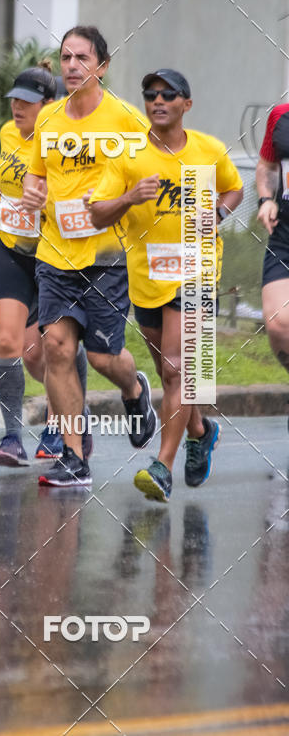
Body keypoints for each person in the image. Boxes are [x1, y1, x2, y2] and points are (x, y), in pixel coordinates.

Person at [90, 69, 243, 501]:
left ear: (186, 104)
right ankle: (200, 431)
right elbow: (97, 213)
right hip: (147, 277)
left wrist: (218, 214)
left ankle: (162, 467)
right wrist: (128, 198)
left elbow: (234, 188)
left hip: (198, 270)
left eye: (168, 94)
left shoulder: (208, 150)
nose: (158, 100)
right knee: (168, 371)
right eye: (151, 94)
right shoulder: (129, 155)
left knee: (178, 369)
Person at [21, 25, 157, 488]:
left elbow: (151, 174)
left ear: (103, 65)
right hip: (55, 253)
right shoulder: (48, 119)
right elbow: (36, 175)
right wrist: (34, 193)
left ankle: (134, 389)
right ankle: (74, 456)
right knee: (57, 348)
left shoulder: (126, 119)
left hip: (108, 255)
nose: (72, 66)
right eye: (66, 57)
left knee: (101, 357)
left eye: (82, 58)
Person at [0, 63, 88, 465]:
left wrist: (47, 201)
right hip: (9, 246)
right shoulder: (8, 132)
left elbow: (80, 194)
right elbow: (14, 175)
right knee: (9, 343)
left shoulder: (65, 142)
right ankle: (11, 439)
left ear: (49, 105)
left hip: (51, 254)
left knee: (46, 352)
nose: (18, 107)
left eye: (28, 101)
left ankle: (68, 416)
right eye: (14, 100)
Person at [256, 103, 289, 410]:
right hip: (285, 234)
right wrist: (266, 199)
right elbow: (267, 166)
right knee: (279, 322)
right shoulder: (280, 115)